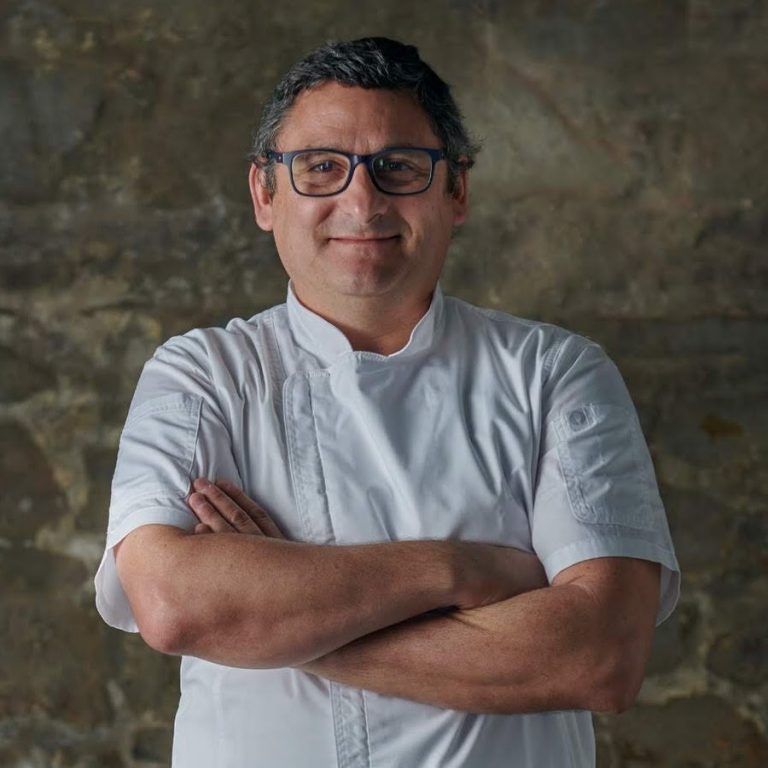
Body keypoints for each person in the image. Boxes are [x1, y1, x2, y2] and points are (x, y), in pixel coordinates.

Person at [94, 36, 681, 768]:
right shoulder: (201, 376)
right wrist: (459, 570)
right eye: (321, 167)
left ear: (456, 190)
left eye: (399, 167)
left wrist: (271, 624)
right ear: (265, 195)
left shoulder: (556, 374)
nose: (361, 201)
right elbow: (173, 605)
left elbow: (600, 656)